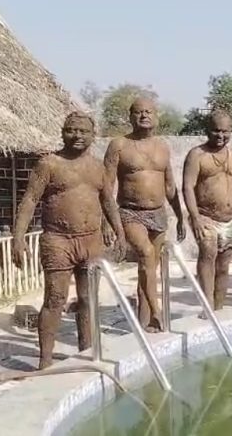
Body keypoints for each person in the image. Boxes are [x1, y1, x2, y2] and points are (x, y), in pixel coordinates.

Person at [12, 111, 126, 369]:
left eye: (83, 131)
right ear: (63, 132)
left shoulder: (98, 167)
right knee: (55, 298)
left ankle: (87, 350)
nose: (77, 135)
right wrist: (18, 238)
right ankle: (45, 360)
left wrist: (119, 232)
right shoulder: (49, 164)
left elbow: (108, 202)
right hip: (58, 240)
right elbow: (29, 200)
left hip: (90, 240)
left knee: (88, 298)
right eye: (71, 130)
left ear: (93, 135)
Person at [103, 97, 186, 333]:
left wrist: (180, 215)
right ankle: (158, 312)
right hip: (130, 213)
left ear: (156, 116)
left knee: (148, 268)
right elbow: (106, 186)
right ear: (130, 117)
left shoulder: (162, 147)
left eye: (148, 111)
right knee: (146, 254)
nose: (144, 115)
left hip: (158, 213)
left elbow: (169, 186)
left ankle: (145, 323)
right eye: (138, 112)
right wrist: (106, 221)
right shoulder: (119, 145)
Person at [182, 109, 232, 312]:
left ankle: (218, 309)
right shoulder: (197, 155)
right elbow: (188, 187)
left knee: (223, 264)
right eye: (216, 130)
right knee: (208, 254)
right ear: (207, 130)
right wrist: (195, 217)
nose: (220, 135)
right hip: (206, 217)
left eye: (225, 131)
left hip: (229, 220)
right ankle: (207, 308)